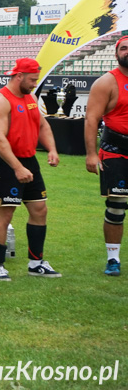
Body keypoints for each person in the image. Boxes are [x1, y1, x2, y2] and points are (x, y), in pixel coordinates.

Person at [0, 57, 60, 280]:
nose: (35, 84)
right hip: (6, 162)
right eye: (32, 80)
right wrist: (17, 168)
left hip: (29, 161)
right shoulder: (0, 101)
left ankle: (36, 262)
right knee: (5, 216)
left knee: (40, 210)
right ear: (19, 76)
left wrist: (52, 149)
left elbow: (42, 124)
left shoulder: (30, 97)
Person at [84, 35, 128, 277]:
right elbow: (92, 119)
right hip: (116, 151)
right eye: (124, 48)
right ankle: (113, 260)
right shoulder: (107, 82)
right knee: (116, 207)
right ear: (116, 54)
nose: (127, 51)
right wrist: (91, 154)